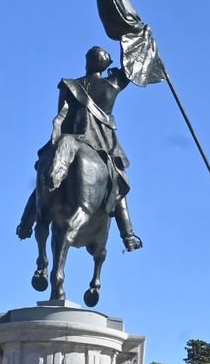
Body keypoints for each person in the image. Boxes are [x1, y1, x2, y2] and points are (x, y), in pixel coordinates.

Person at [17, 46, 143, 251]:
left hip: (68, 138)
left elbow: (61, 117)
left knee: (45, 179)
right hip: (100, 144)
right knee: (119, 183)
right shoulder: (111, 85)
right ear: (105, 65)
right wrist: (131, 39)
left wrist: (58, 143)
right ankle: (128, 235)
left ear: (87, 62)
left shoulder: (69, 85)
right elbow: (132, 67)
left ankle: (26, 223)